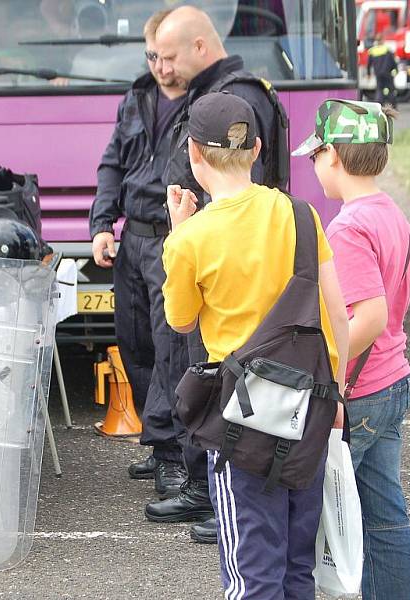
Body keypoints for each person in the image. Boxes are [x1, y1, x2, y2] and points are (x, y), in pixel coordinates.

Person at [162, 92, 349, 598]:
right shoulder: (303, 214)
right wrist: (338, 395)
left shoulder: (191, 238)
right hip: (309, 406)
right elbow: (337, 317)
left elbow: (180, 322)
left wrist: (179, 233)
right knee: (295, 567)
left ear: (194, 154)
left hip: (241, 419)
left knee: (251, 573)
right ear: (259, 147)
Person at [145, 6, 283, 540]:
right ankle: (210, 492)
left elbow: (180, 322)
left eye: (170, 55)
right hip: (223, 248)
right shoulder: (228, 93)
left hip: (225, 259)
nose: (163, 67)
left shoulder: (235, 95)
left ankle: (221, 502)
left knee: (227, 388)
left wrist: (185, 233)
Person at [293, 99, 410, 599]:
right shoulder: (393, 215)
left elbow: (366, 316)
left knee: (324, 509)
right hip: (393, 379)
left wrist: (329, 370)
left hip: (361, 391)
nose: (314, 166)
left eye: (315, 156)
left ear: (333, 157)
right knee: (384, 512)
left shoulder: (347, 228)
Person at [90, 9, 190, 500]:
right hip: (131, 240)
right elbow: (112, 163)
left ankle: (174, 456)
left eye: (168, 58)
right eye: (152, 56)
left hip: (175, 240)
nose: (161, 68)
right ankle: (160, 444)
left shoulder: (207, 102)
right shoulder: (136, 96)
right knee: (136, 345)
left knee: (171, 348)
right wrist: (101, 224)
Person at [368, 33, 399, 107]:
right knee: (391, 90)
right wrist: (395, 70)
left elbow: (369, 65)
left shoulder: (372, 51)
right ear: (382, 40)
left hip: (378, 74)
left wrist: (368, 73)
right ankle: (393, 106)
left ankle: (379, 105)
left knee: (379, 90)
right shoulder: (387, 50)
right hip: (388, 74)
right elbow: (393, 62)